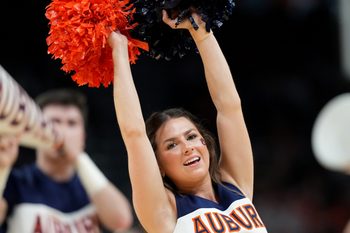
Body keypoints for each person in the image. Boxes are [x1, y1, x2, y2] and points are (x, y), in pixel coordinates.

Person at [109, 10, 268, 233]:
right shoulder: (165, 212)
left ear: (206, 144)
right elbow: (134, 134)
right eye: (171, 145)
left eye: (191, 136)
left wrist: (201, 32)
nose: (187, 147)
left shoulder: (235, 184)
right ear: (159, 166)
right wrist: (119, 51)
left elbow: (229, 107)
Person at [0, 89, 133, 232]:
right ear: (35, 131)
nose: (61, 130)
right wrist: (2, 168)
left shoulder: (91, 185)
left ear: (83, 136)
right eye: (54, 121)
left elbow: (121, 220)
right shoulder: (15, 181)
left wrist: (78, 156)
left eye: (71, 123)